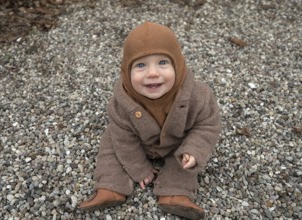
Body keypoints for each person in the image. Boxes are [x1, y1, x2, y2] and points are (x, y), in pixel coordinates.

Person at [79, 21, 221, 220]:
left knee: (185, 161)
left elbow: (207, 124)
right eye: (140, 65)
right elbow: (125, 139)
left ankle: (175, 193)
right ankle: (110, 187)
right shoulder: (122, 101)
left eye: (163, 62)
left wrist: (194, 150)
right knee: (112, 142)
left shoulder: (199, 96)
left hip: (178, 142)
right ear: (126, 72)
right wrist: (139, 168)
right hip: (137, 142)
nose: (152, 73)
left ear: (178, 65)